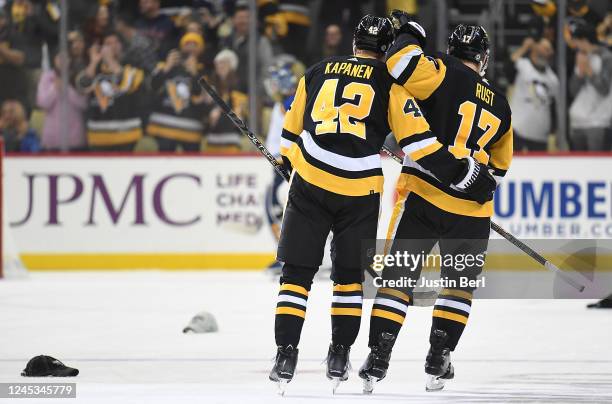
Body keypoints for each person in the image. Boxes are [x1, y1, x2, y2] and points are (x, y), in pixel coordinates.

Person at [269, 15, 477, 393]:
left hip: (310, 184)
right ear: (386, 49)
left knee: (296, 276)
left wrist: (286, 162)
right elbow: (418, 144)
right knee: (348, 280)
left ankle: (286, 355)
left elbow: (290, 130)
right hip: (360, 191)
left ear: (354, 43)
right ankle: (339, 355)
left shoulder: (316, 71)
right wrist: (457, 173)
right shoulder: (391, 83)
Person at [359, 14, 512, 393]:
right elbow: (501, 167)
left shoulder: (439, 71)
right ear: (483, 57)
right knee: (458, 287)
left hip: (422, 197)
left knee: (398, 281)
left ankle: (379, 356)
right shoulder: (502, 104)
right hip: (472, 212)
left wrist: (411, 29)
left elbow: (399, 60)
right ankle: (438, 358)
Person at [263, 55, 301, 274]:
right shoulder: (282, 103)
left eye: (277, 79)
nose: (273, 85)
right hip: (278, 163)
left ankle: (289, 255)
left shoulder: (292, 102)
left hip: (286, 164)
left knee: (281, 208)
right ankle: (284, 254)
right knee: (274, 209)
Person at [76, 32, 145, 151]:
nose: (112, 46)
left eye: (116, 42)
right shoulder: (94, 70)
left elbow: (128, 85)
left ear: (122, 46)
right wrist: (93, 62)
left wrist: (110, 61)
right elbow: (82, 87)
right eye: (108, 43)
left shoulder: (132, 66)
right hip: (98, 136)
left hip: (127, 135)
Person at [146, 32, 207, 152]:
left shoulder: (204, 71)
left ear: (200, 50)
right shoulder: (165, 66)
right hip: (164, 129)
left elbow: (200, 98)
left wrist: (194, 74)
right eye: (187, 43)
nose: (190, 47)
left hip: (190, 131)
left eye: (195, 44)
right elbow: (152, 87)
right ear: (181, 47)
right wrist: (167, 68)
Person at [568, 19, 612, 151]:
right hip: (578, 122)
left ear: (584, 41)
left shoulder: (606, 58)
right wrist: (579, 74)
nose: (575, 45)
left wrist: (589, 70)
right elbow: (573, 91)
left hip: (599, 122)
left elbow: (604, 89)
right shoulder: (581, 56)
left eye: (576, 41)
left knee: (596, 168)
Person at [510, 36, 559, 151]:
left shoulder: (553, 79)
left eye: (548, 49)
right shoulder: (523, 65)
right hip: (517, 130)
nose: (546, 52)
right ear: (535, 48)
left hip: (540, 135)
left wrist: (555, 131)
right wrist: (524, 47)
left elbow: (555, 107)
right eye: (544, 48)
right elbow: (509, 65)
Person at [36, 51, 87, 151]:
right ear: (54, 59)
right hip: (52, 139)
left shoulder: (78, 77)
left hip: (74, 139)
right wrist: (54, 89)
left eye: (66, 57)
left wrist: (67, 88)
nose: (62, 61)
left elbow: (83, 103)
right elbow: (42, 103)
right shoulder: (47, 77)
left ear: (70, 60)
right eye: (59, 57)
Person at [204, 49, 246, 152]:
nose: (220, 66)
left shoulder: (239, 87)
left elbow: (240, 115)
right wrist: (209, 117)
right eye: (218, 63)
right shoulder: (211, 85)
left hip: (231, 138)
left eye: (223, 63)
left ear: (232, 65)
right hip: (212, 138)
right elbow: (203, 112)